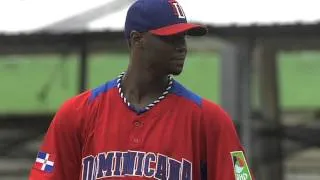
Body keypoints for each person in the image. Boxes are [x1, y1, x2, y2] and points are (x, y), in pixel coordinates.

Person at [29, 0, 253, 179]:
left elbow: (241, 176)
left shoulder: (211, 120)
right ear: (138, 40)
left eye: (183, 38)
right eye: (171, 38)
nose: (182, 47)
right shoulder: (77, 113)